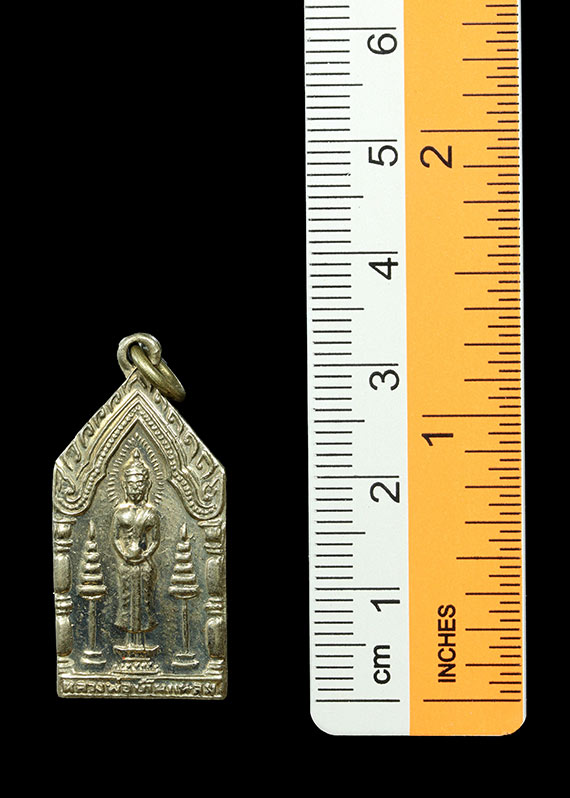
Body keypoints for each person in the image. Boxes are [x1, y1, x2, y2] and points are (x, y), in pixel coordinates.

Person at [112, 449, 160, 646]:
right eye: (132, 484)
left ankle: (143, 638)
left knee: (145, 600)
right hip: (126, 564)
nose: (136, 489)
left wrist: (145, 555)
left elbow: (155, 540)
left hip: (144, 563)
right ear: (125, 486)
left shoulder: (151, 514)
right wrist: (124, 554)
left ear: (147, 486)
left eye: (140, 484)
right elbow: (116, 539)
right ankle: (128, 637)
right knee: (126, 599)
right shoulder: (120, 514)